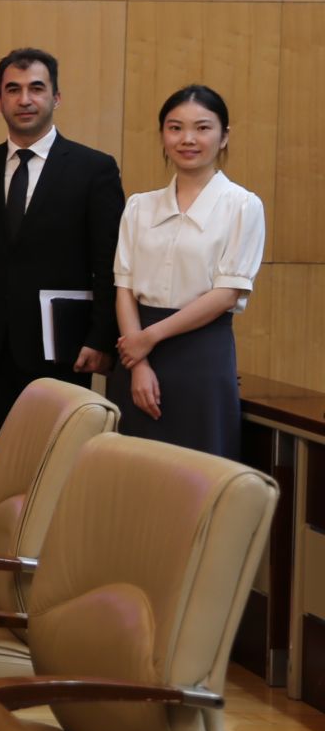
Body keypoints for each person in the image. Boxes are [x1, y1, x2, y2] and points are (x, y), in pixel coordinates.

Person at [0, 48, 125, 460]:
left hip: (62, 348)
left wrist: (101, 337)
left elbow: (108, 262)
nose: (24, 99)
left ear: (56, 97)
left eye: (36, 88)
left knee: (55, 460)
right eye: (13, 90)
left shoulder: (93, 169)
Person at [108, 85, 264, 460]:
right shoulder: (139, 206)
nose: (188, 139)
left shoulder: (242, 205)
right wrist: (138, 361)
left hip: (201, 353)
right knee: (132, 468)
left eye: (202, 128)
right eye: (175, 128)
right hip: (136, 352)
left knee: (199, 470)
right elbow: (124, 287)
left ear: (224, 137)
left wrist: (148, 339)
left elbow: (226, 294)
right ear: (163, 135)